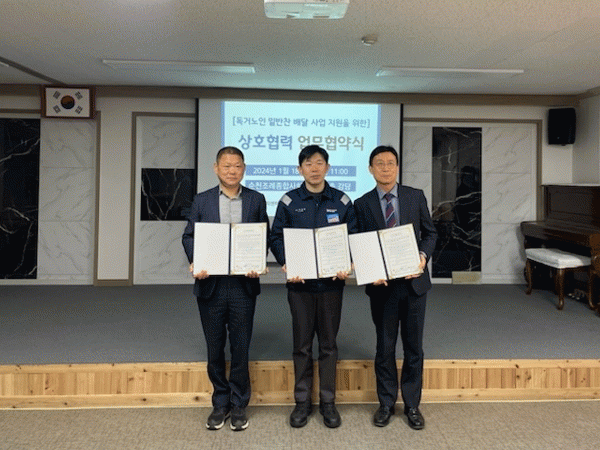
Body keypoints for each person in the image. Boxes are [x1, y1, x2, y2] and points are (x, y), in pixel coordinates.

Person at [270, 145, 358, 429]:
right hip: (300, 287)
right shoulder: (288, 201)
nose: (314, 168)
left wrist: (348, 262)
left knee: (329, 345)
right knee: (302, 346)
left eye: (319, 163)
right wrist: (286, 261)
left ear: (327, 167)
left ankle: (328, 402)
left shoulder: (342, 201)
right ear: (300, 169)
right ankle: (302, 402)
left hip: (331, 285)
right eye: (308, 164)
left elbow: (353, 236)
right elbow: (276, 237)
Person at [182, 146, 269, 432]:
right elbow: (189, 235)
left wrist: (257, 261)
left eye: (237, 166)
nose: (232, 171)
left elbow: (262, 235)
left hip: (243, 284)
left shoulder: (256, 199)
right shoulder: (202, 200)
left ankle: (239, 403)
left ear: (244, 168)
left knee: (241, 347)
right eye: (227, 166)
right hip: (211, 284)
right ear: (216, 168)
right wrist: (196, 260)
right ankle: (220, 402)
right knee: (215, 346)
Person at [354, 145, 437, 430]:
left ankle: (412, 405)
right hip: (382, 288)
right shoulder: (362, 203)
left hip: (414, 285)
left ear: (398, 167)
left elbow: (430, 233)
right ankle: (386, 403)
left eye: (391, 163)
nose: (386, 168)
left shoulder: (415, 196)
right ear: (370, 169)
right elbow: (358, 242)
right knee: (385, 346)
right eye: (380, 163)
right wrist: (369, 271)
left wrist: (423, 257)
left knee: (414, 348)